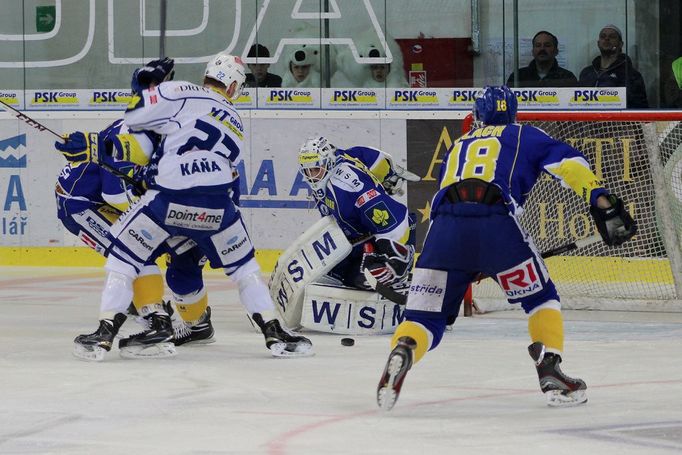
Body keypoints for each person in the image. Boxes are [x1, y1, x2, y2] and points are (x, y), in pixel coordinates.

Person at [376, 85, 637, 410]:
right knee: (541, 300)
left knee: (425, 318)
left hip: (443, 234)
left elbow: (448, 197)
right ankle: (550, 367)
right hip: (495, 224)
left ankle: (404, 348)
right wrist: (601, 201)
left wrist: (467, 261)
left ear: (478, 115)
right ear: (512, 112)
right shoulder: (524, 133)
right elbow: (569, 165)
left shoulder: (459, 144)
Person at [61, 54, 313, 359]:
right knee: (245, 272)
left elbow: (137, 126)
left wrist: (139, 97)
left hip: (172, 197)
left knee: (125, 259)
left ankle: (105, 334)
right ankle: (275, 333)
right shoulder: (235, 119)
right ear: (233, 86)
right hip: (218, 206)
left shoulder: (180, 92)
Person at [56, 60, 216, 361]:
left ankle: (192, 320)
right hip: (80, 202)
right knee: (134, 245)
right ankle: (157, 321)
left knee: (168, 249)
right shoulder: (134, 128)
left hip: (109, 201)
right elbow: (114, 193)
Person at [297, 137, 419, 290]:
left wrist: (396, 262)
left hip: (389, 238)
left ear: (328, 162)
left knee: (360, 279)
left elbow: (395, 222)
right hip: (361, 240)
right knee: (327, 274)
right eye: (307, 170)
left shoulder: (350, 188)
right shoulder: (335, 160)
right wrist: (390, 173)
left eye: (315, 169)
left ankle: (400, 266)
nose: (311, 176)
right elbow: (372, 157)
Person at [578, 24, 648, 108]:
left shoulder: (631, 74)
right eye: (603, 36)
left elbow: (640, 107)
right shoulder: (587, 72)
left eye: (612, 36)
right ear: (598, 43)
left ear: (621, 44)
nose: (606, 39)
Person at [506, 31, 577, 87]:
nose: (542, 49)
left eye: (547, 45)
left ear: (556, 51)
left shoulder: (567, 77)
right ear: (533, 51)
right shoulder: (518, 76)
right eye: (538, 45)